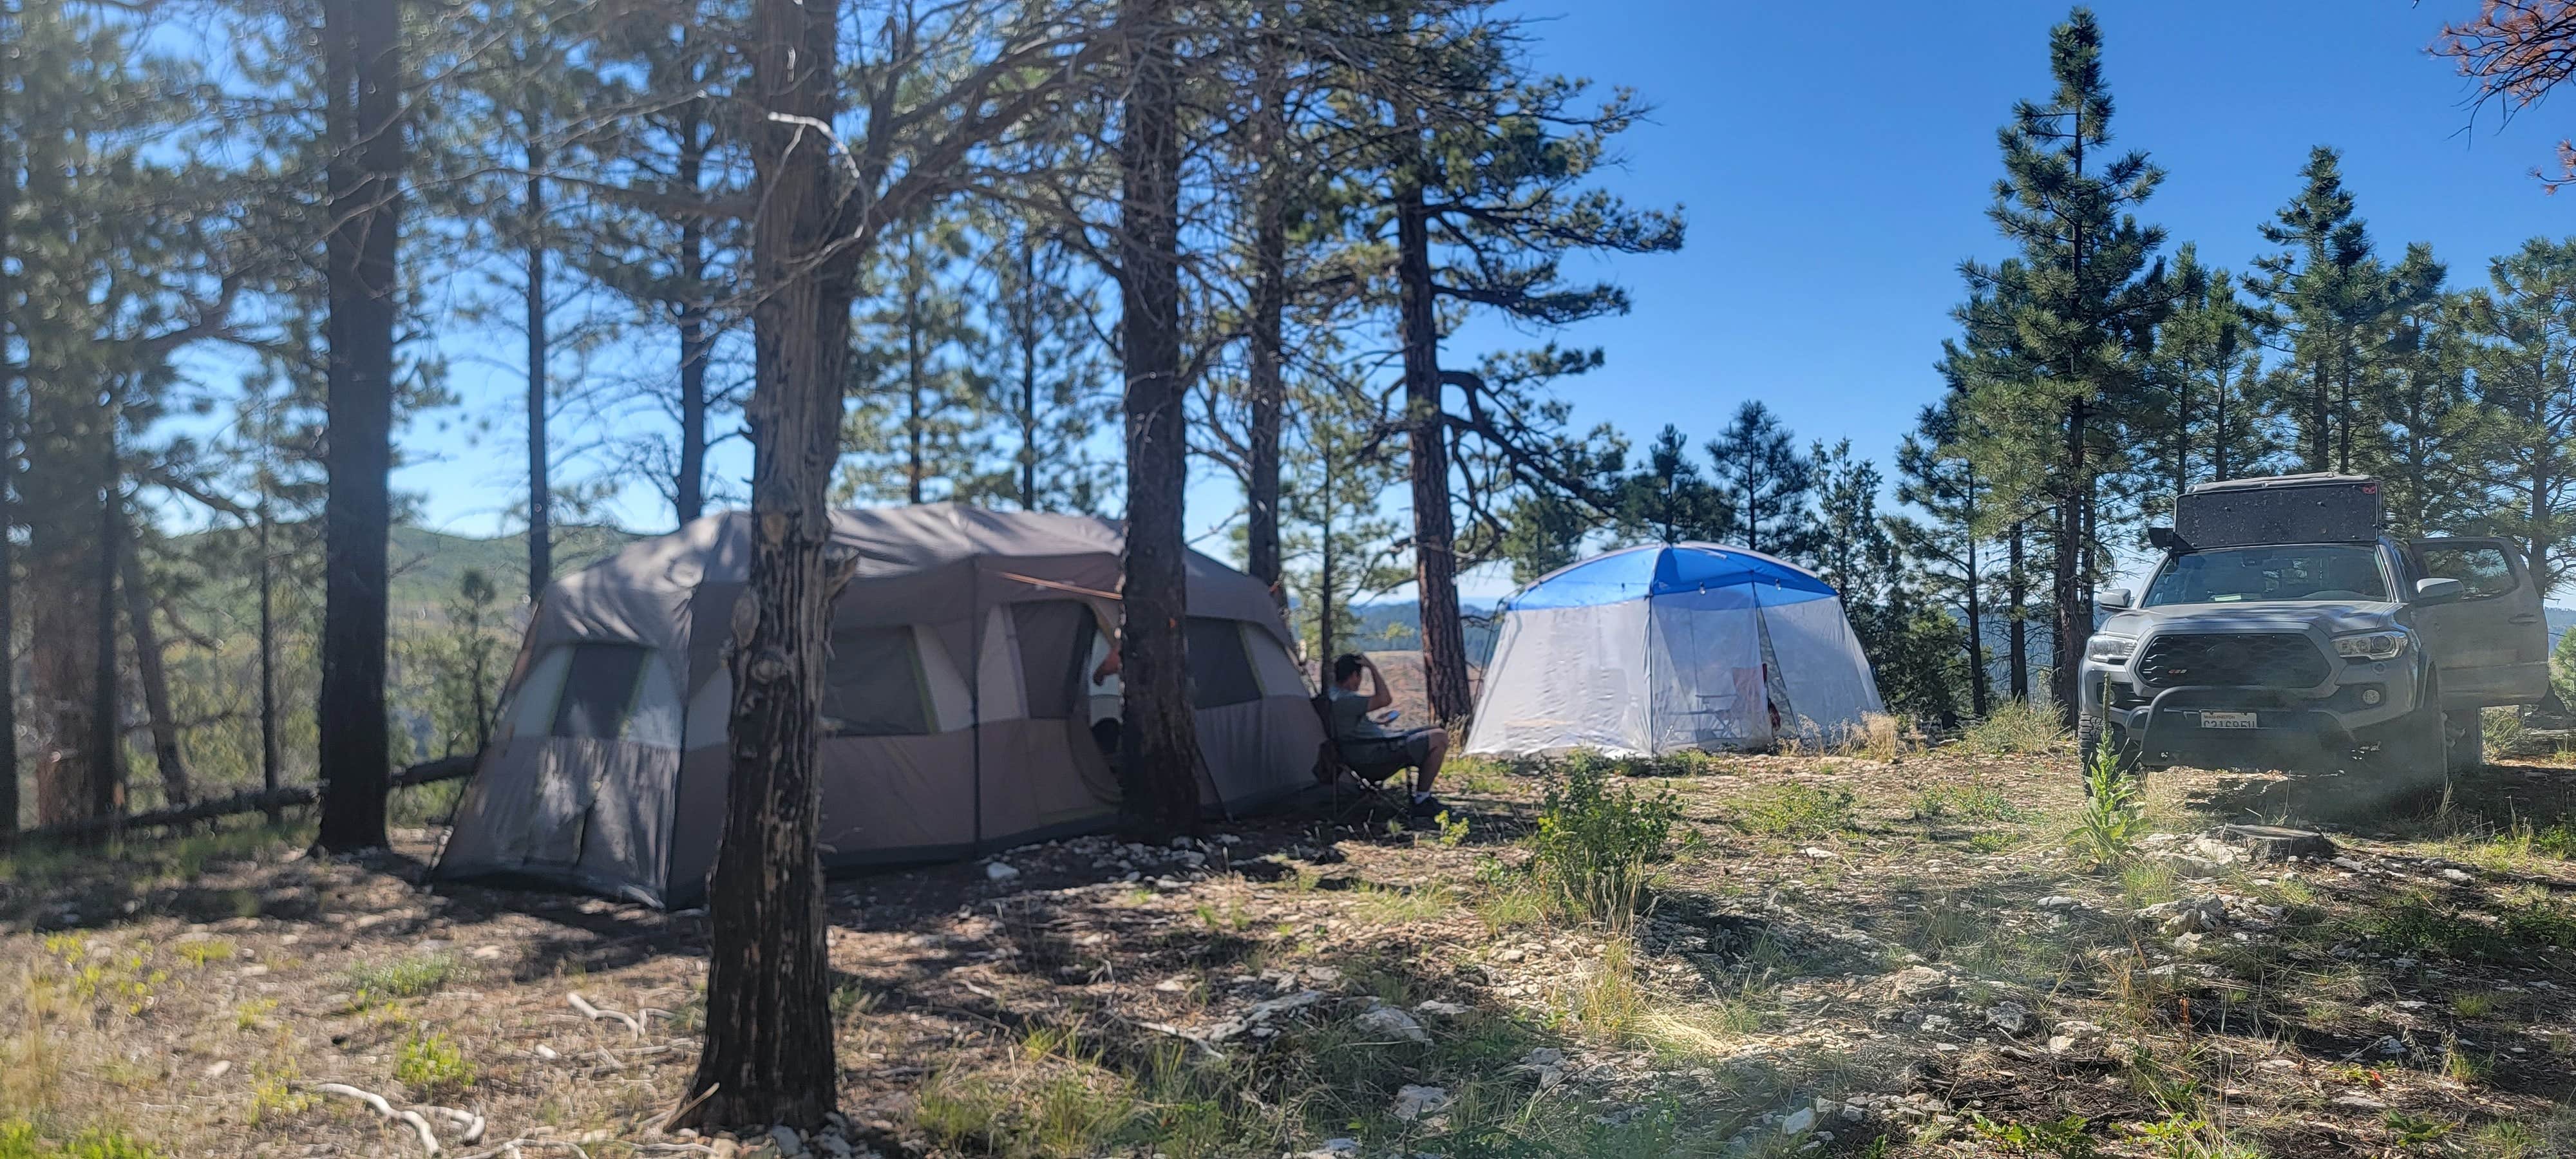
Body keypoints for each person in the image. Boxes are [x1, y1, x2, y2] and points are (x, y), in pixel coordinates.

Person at [1326, 653, 1449, 817]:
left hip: (1367, 747)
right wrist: (1373, 668)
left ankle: (1422, 797)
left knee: (1432, 729)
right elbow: (1385, 699)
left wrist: (1376, 724)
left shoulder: (1331, 695)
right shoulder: (1345, 700)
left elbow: (1351, 728)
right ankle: (1422, 800)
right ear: (1355, 675)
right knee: (1439, 737)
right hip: (1374, 757)